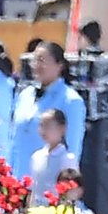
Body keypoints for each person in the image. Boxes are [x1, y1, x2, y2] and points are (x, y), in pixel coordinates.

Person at [11, 43, 88, 174]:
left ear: (60, 65)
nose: (36, 65)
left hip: (49, 180)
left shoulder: (70, 100)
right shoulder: (25, 95)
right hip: (19, 178)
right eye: (34, 60)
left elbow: (73, 148)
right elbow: (13, 138)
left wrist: (66, 184)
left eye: (42, 60)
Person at [30, 108, 78, 200]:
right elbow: (34, 189)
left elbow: (71, 191)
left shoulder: (67, 159)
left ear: (62, 129)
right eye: (41, 125)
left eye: (47, 126)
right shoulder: (36, 157)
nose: (43, 130)